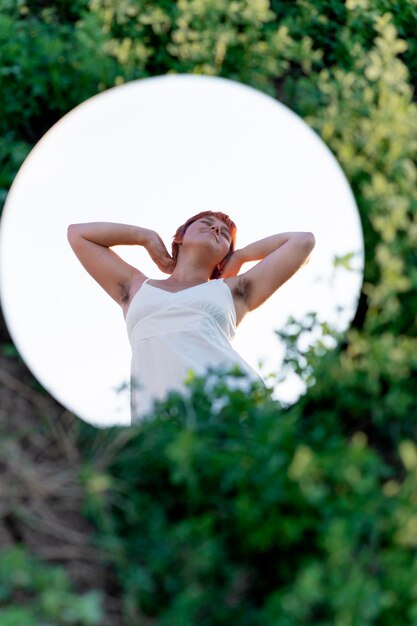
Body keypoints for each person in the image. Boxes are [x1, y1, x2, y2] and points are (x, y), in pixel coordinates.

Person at [67, 212, 315, 422]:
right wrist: (145, 237)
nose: (216, 228)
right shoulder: (134, 287)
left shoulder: (235, 290)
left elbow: (302, 241)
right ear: (180, 237)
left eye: (225, 234)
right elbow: (78, 234)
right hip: (160, 418)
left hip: (231, 405)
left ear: (224, 256)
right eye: (207, 223)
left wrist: (241, 256)